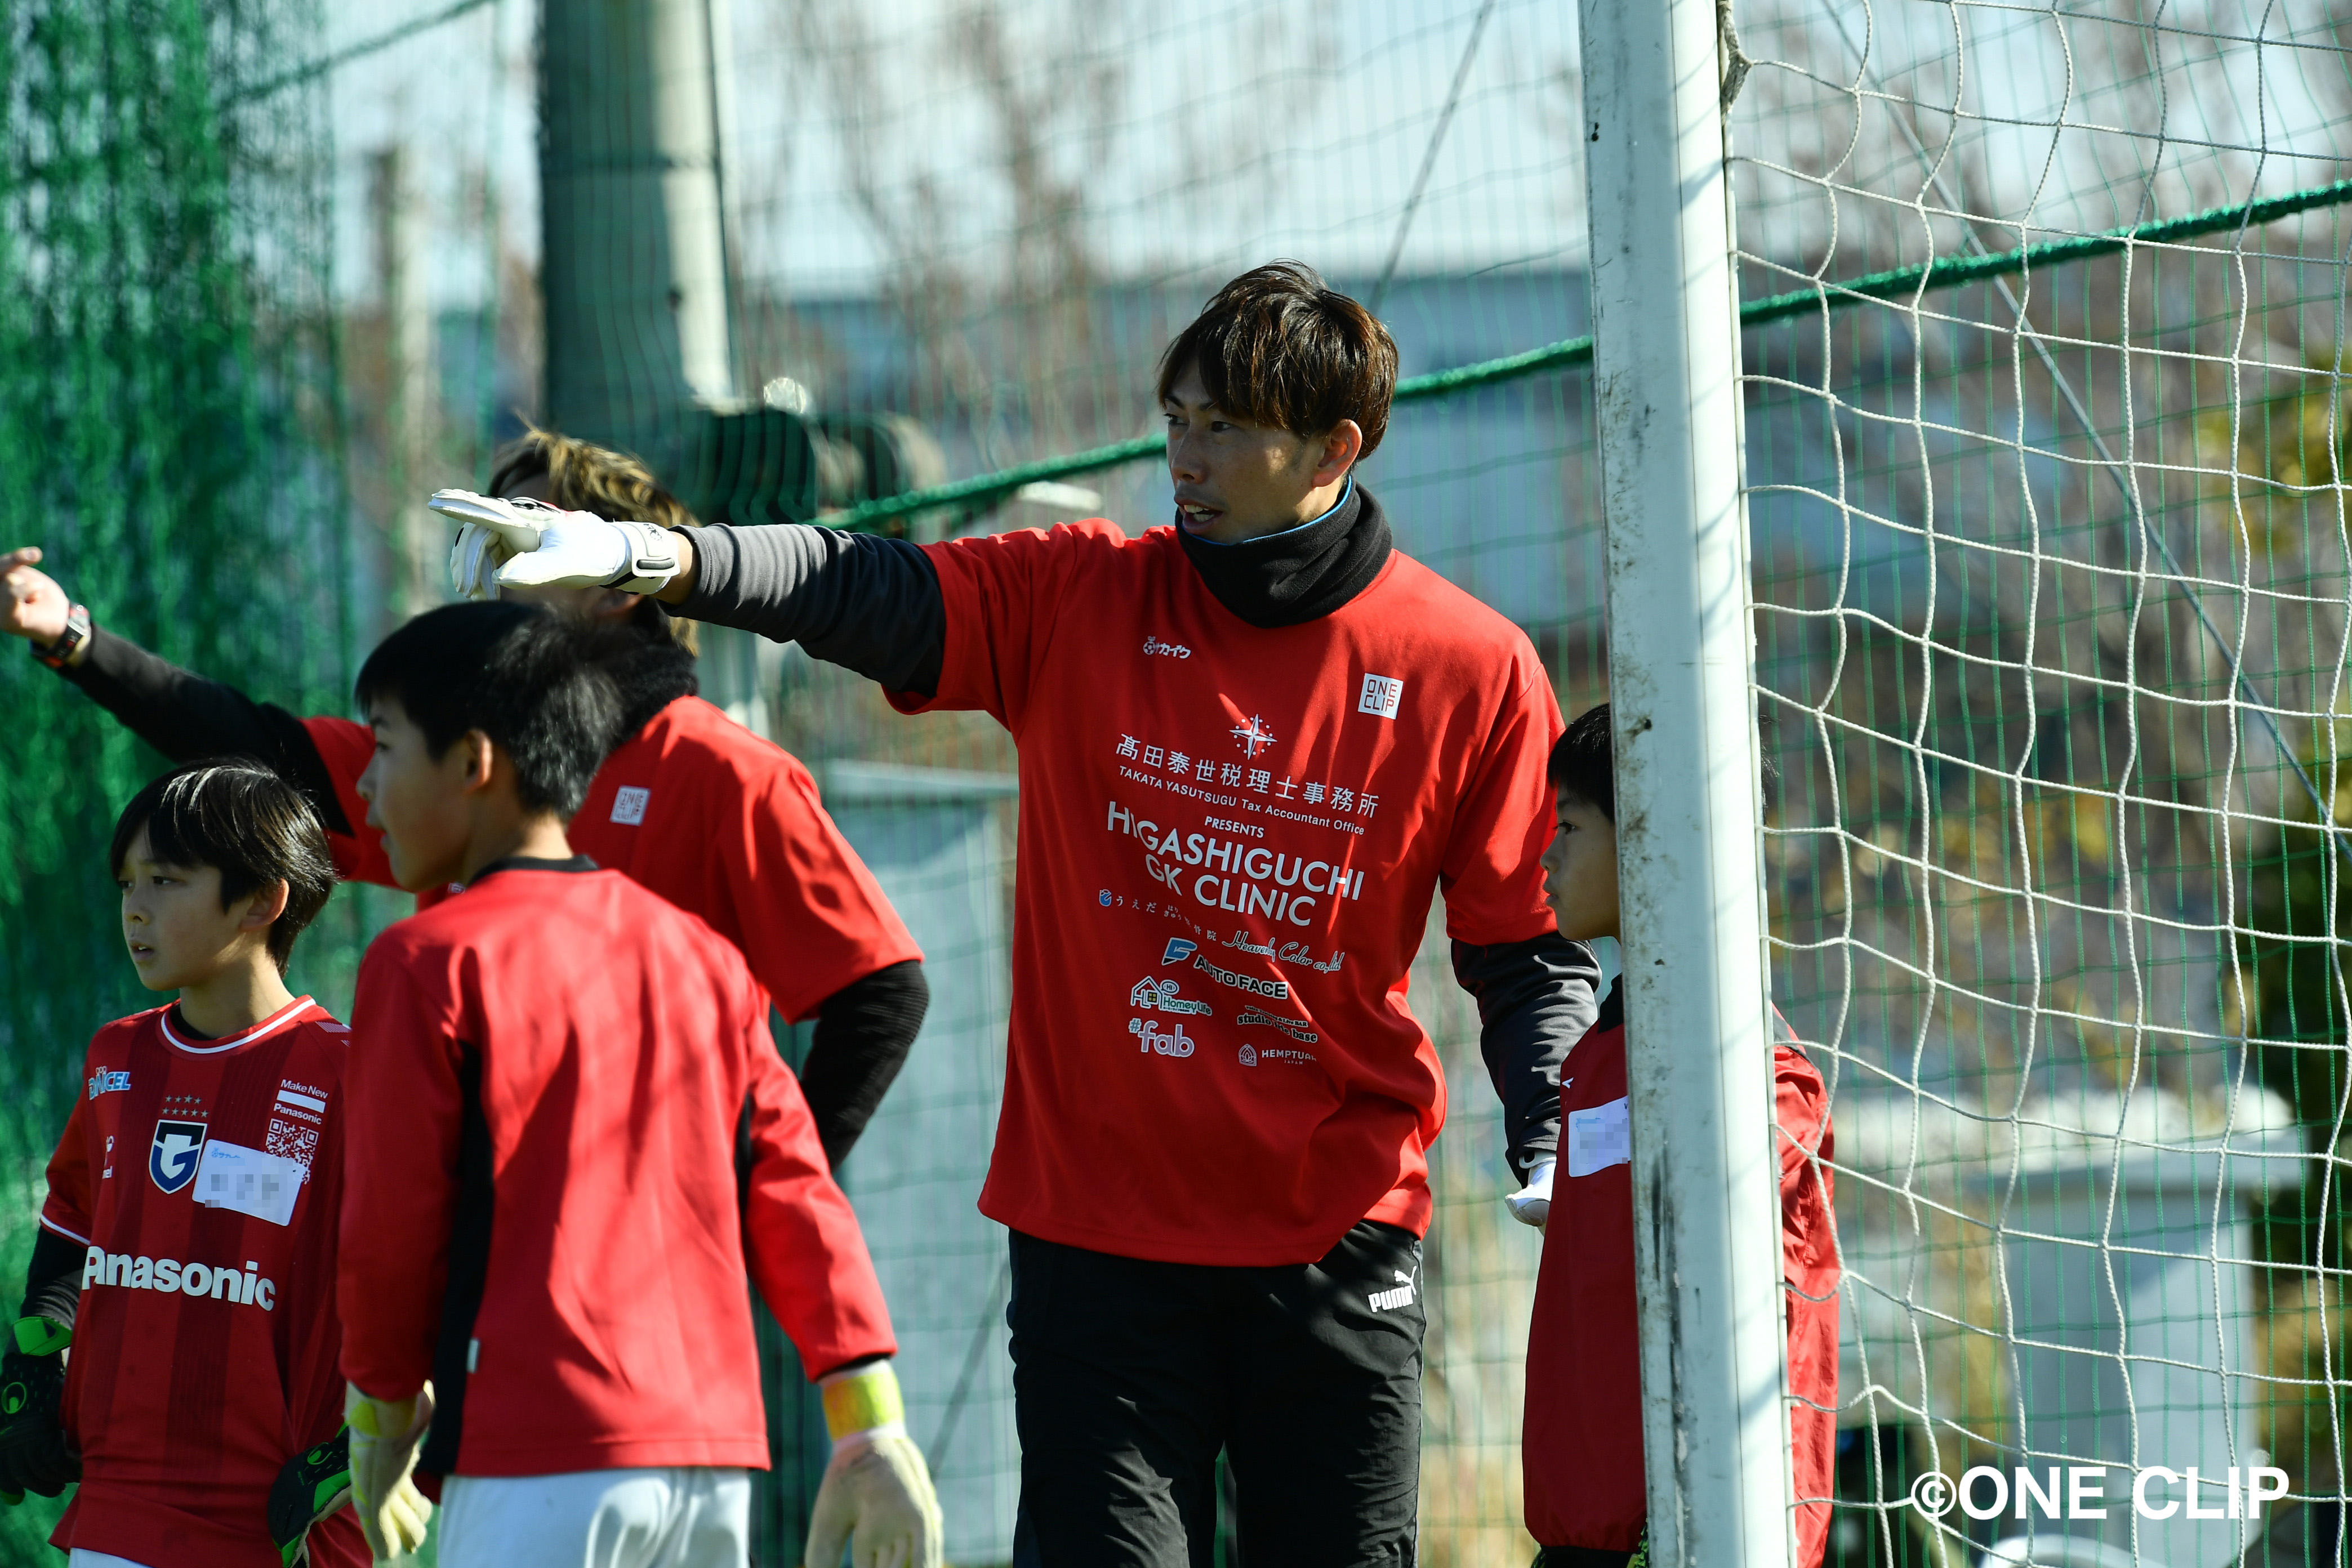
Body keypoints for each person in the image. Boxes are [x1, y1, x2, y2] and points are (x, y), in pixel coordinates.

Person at [442, 261, 1601, 1564]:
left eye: (1225, 428)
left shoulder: (1473, 667)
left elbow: (1525, 947)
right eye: (1176, 421)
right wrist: (665, 557)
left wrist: (1551, 1112)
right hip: (1095, 1243)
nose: (1187, 456)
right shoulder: (1082, 595)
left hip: (1337, 1241)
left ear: (1337, 446)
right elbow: (853, 584)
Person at [0, 425, 926, 1170]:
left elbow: (879, 991)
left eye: (524, 535)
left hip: (642, 1255)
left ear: (617, 585)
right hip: (476, 1226)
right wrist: (74, 636)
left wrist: (749, 1198)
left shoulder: (726, 772)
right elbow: (263, 746)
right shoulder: (459, 762)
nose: (486, 566)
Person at [332, 600, 939, 1568]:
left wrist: (381, 1410)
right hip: (712, 1463)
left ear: (475, 764)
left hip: (534, 1455)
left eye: (384, 748)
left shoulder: (425, 961)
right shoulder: (698, 953)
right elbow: (795, 1194)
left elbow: (387, 1231)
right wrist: (868, 1423)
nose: (363, 788)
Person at [0, 759, 395, 1566]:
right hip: (119, 1506)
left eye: (166, 881)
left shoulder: (352, 1076)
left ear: (262, 899)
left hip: (287, 1527)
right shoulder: (118, 1056)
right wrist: (30, 1370)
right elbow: (71, 1217)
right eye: (126, 884)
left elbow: (417, 1282)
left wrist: (351, 1454)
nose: (134, 910)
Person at [1520, 705, 1839, 1568]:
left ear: (1655, 836)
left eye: (1570, 827)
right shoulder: (1596, 1056)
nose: (1545, 856)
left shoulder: (1762, 1080)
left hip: (1701, 1528)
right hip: (1586, 1527)